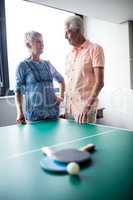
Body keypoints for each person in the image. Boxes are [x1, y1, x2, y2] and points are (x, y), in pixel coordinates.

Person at [15, 31, 65, 124]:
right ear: (28, 44)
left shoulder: (48, 64)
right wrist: (20, 112)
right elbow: (18, 92)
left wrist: (60, 97)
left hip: (53, 115)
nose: (42, 44)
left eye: (42, 42)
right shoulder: (22, 66)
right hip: (34, 117)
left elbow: (61, 80)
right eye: (38, 42)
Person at [64, 16, 104, 124]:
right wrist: (64, 106)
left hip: (85, 111)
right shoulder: (69, 55)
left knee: (86, 141)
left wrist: (86, 107)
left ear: (78, 31)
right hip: (69, 110)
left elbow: (99, 82)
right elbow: (70, 83)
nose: (65, 37)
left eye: (67, 32)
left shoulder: (95, 49)